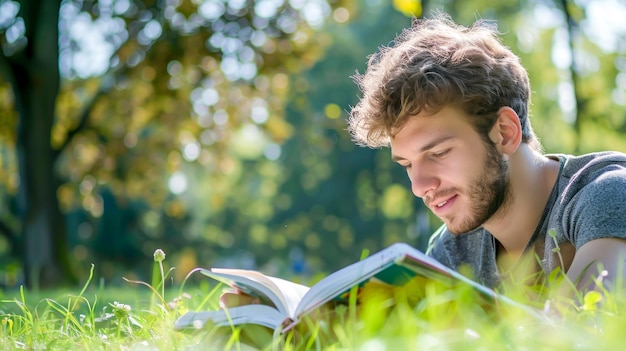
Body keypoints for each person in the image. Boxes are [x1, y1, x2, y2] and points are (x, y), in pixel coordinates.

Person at [347, 12, 626, 294]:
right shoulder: (451, 252)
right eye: (407, 164)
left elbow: (586, 321)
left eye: (439, 153)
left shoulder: (605, 193)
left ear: (505, 132)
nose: (419, 187)